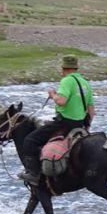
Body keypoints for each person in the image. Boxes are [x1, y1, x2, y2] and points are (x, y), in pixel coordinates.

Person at [18, 54, 95, 185]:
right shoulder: (85, 83)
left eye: (62, 69)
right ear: (76, 68)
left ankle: (34, 174)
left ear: (64, 69)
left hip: (64, 123)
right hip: (79, 124)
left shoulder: (66, 81)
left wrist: (53, 94)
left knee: (30, 140)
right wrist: (87, 127)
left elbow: (61, 101)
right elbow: (91, 110)